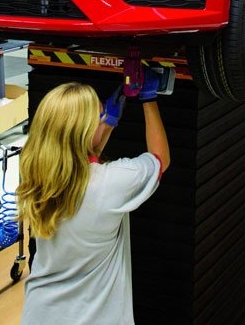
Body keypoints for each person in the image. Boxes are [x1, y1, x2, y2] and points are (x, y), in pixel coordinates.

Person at [18, 71, 170, 324]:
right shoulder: (112, 183)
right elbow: (159, 160)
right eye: (99, 117)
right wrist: (149, 99)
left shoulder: (35, 173)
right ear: (84, 133)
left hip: (40, 313)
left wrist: (107, 123)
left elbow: (80, 159)